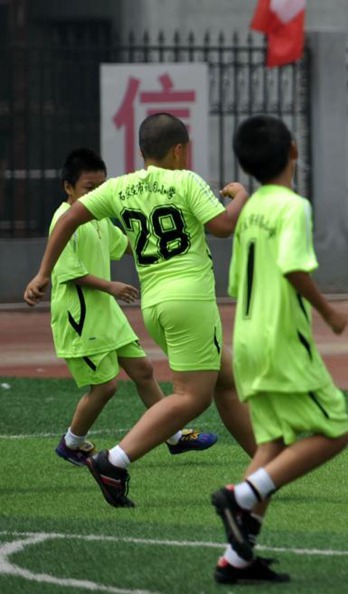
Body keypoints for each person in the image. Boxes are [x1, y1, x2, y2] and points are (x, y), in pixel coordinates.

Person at [24, 113, 257, 507]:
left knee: (225, 377)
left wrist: (44, 271)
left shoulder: (120, 187)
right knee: (192, 397)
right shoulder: (185, 180)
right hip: (190, 301)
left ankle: (266, 465)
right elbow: (222, 226)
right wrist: (242, 196)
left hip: (155, 304)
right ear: (180, 149)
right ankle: (114, 461)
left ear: (141, 151)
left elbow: (68, 220)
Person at [210, 115, 348, 585]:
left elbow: (233, 283)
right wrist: (329, 312)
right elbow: (293, 268)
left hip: (247, 339)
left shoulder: (248, 210)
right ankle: (243, 494)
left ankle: (237, 557)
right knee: (335, 433)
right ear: (293, 150)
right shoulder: (292, 206)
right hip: (281, 340)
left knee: (273, 443)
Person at [50, 148, 216, 467]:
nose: (97, 194)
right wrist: (110, 286)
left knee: (143, 370)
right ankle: (72, 442)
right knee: (106, 386)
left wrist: (160, 248)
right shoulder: (64, 220)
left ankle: (174, 436)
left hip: (107, 314)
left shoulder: (98, 221)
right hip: (81, 317)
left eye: (101, 186)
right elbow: (68, 273)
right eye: (89, 188)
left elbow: (128, 244)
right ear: (68, 187)